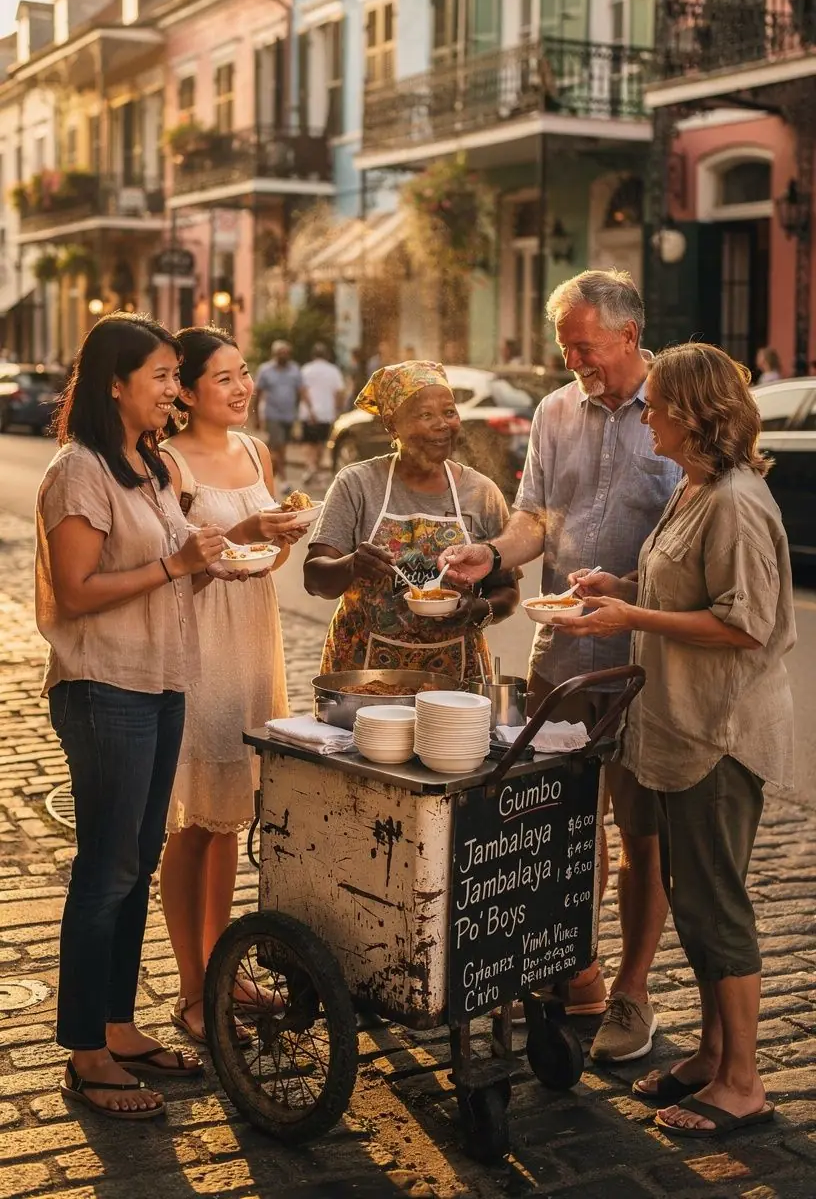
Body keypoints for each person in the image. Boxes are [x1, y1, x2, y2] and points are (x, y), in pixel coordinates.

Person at [441, 270, 681, 1060]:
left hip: (648, 659)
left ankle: (633, 995)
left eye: (584, 346)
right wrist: (493, 552)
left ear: (628, 336)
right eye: (565, 348)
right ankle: (571, 965)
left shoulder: (675, 412)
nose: (574, 360)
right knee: (563, 824)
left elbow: (696, 549)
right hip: (565, 652)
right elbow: (537, 517)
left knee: (640, 835)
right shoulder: (553, 410)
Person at [557, 343, 794, 1137]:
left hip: (719, 734)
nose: (646, 417)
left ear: (693, 415)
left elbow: (742, 623)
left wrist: (632, 618)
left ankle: (744, 1084)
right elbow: (674, 582)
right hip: (680, 725)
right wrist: (617, 588)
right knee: (693, 902)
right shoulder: (694, 488)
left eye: (657, 405)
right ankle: (710, 1058)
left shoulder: (736, 501)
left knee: (717, 906)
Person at [35, 314, 226, 1120]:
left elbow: (178, 563)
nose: (173, 391)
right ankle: (84, 1051)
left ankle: (117, 1026)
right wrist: (175, 563)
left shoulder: (145, 465)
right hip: (103, 687)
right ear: (115, 381)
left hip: (160, 682)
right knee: (106, 869)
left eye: (177, 376)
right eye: (161, 376)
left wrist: (230, 546)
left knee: (136, 863)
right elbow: (77, 592)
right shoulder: (78, 472)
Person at [158, 327, 304, 1045]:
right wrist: (247, 526)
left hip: (251, 643)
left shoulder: (256, 451)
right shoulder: (167, 463)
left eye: (244, 373)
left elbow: (258, 562)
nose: (243, 387)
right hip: (198, 649)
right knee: (190, 826)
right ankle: (191, 991)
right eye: (223, 379)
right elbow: (168, 567)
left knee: (232, 817)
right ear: (182, 392)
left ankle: (221, 966)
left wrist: (279, 538)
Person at [304, 360, 519, 682]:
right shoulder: (357, 484)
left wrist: (476, 611)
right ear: (392, 425)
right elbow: (314, 578)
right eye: (425, 415)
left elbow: (507, 592)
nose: (442, 425)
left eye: (449, 412)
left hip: (455, 675)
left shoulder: (481, 493)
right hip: (363, 672)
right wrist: (352, 565)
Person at [253, 340, 302, 493]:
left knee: (280, 449)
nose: (284, 355)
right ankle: (284, 481)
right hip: (272, 415)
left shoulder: (295, 369)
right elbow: (258, 394)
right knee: (279, 448)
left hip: (289, 416)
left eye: (286, 352)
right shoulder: (266, 370)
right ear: (275, 354)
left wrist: (297, 413)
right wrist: (256, 418)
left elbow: (299, 392)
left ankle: (264, 478)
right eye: (281, 352)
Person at [300, 342, 346, 484]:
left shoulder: (306, 370)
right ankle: (315, 467)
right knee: (321, 442)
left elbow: (302, 390)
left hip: (308, 412)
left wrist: (310, 409)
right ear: (326, 355)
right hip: (327, 412)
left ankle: (311, 466)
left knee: (308, 442)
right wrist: (337, 409)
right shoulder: (333, 371)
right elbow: (339, 392)